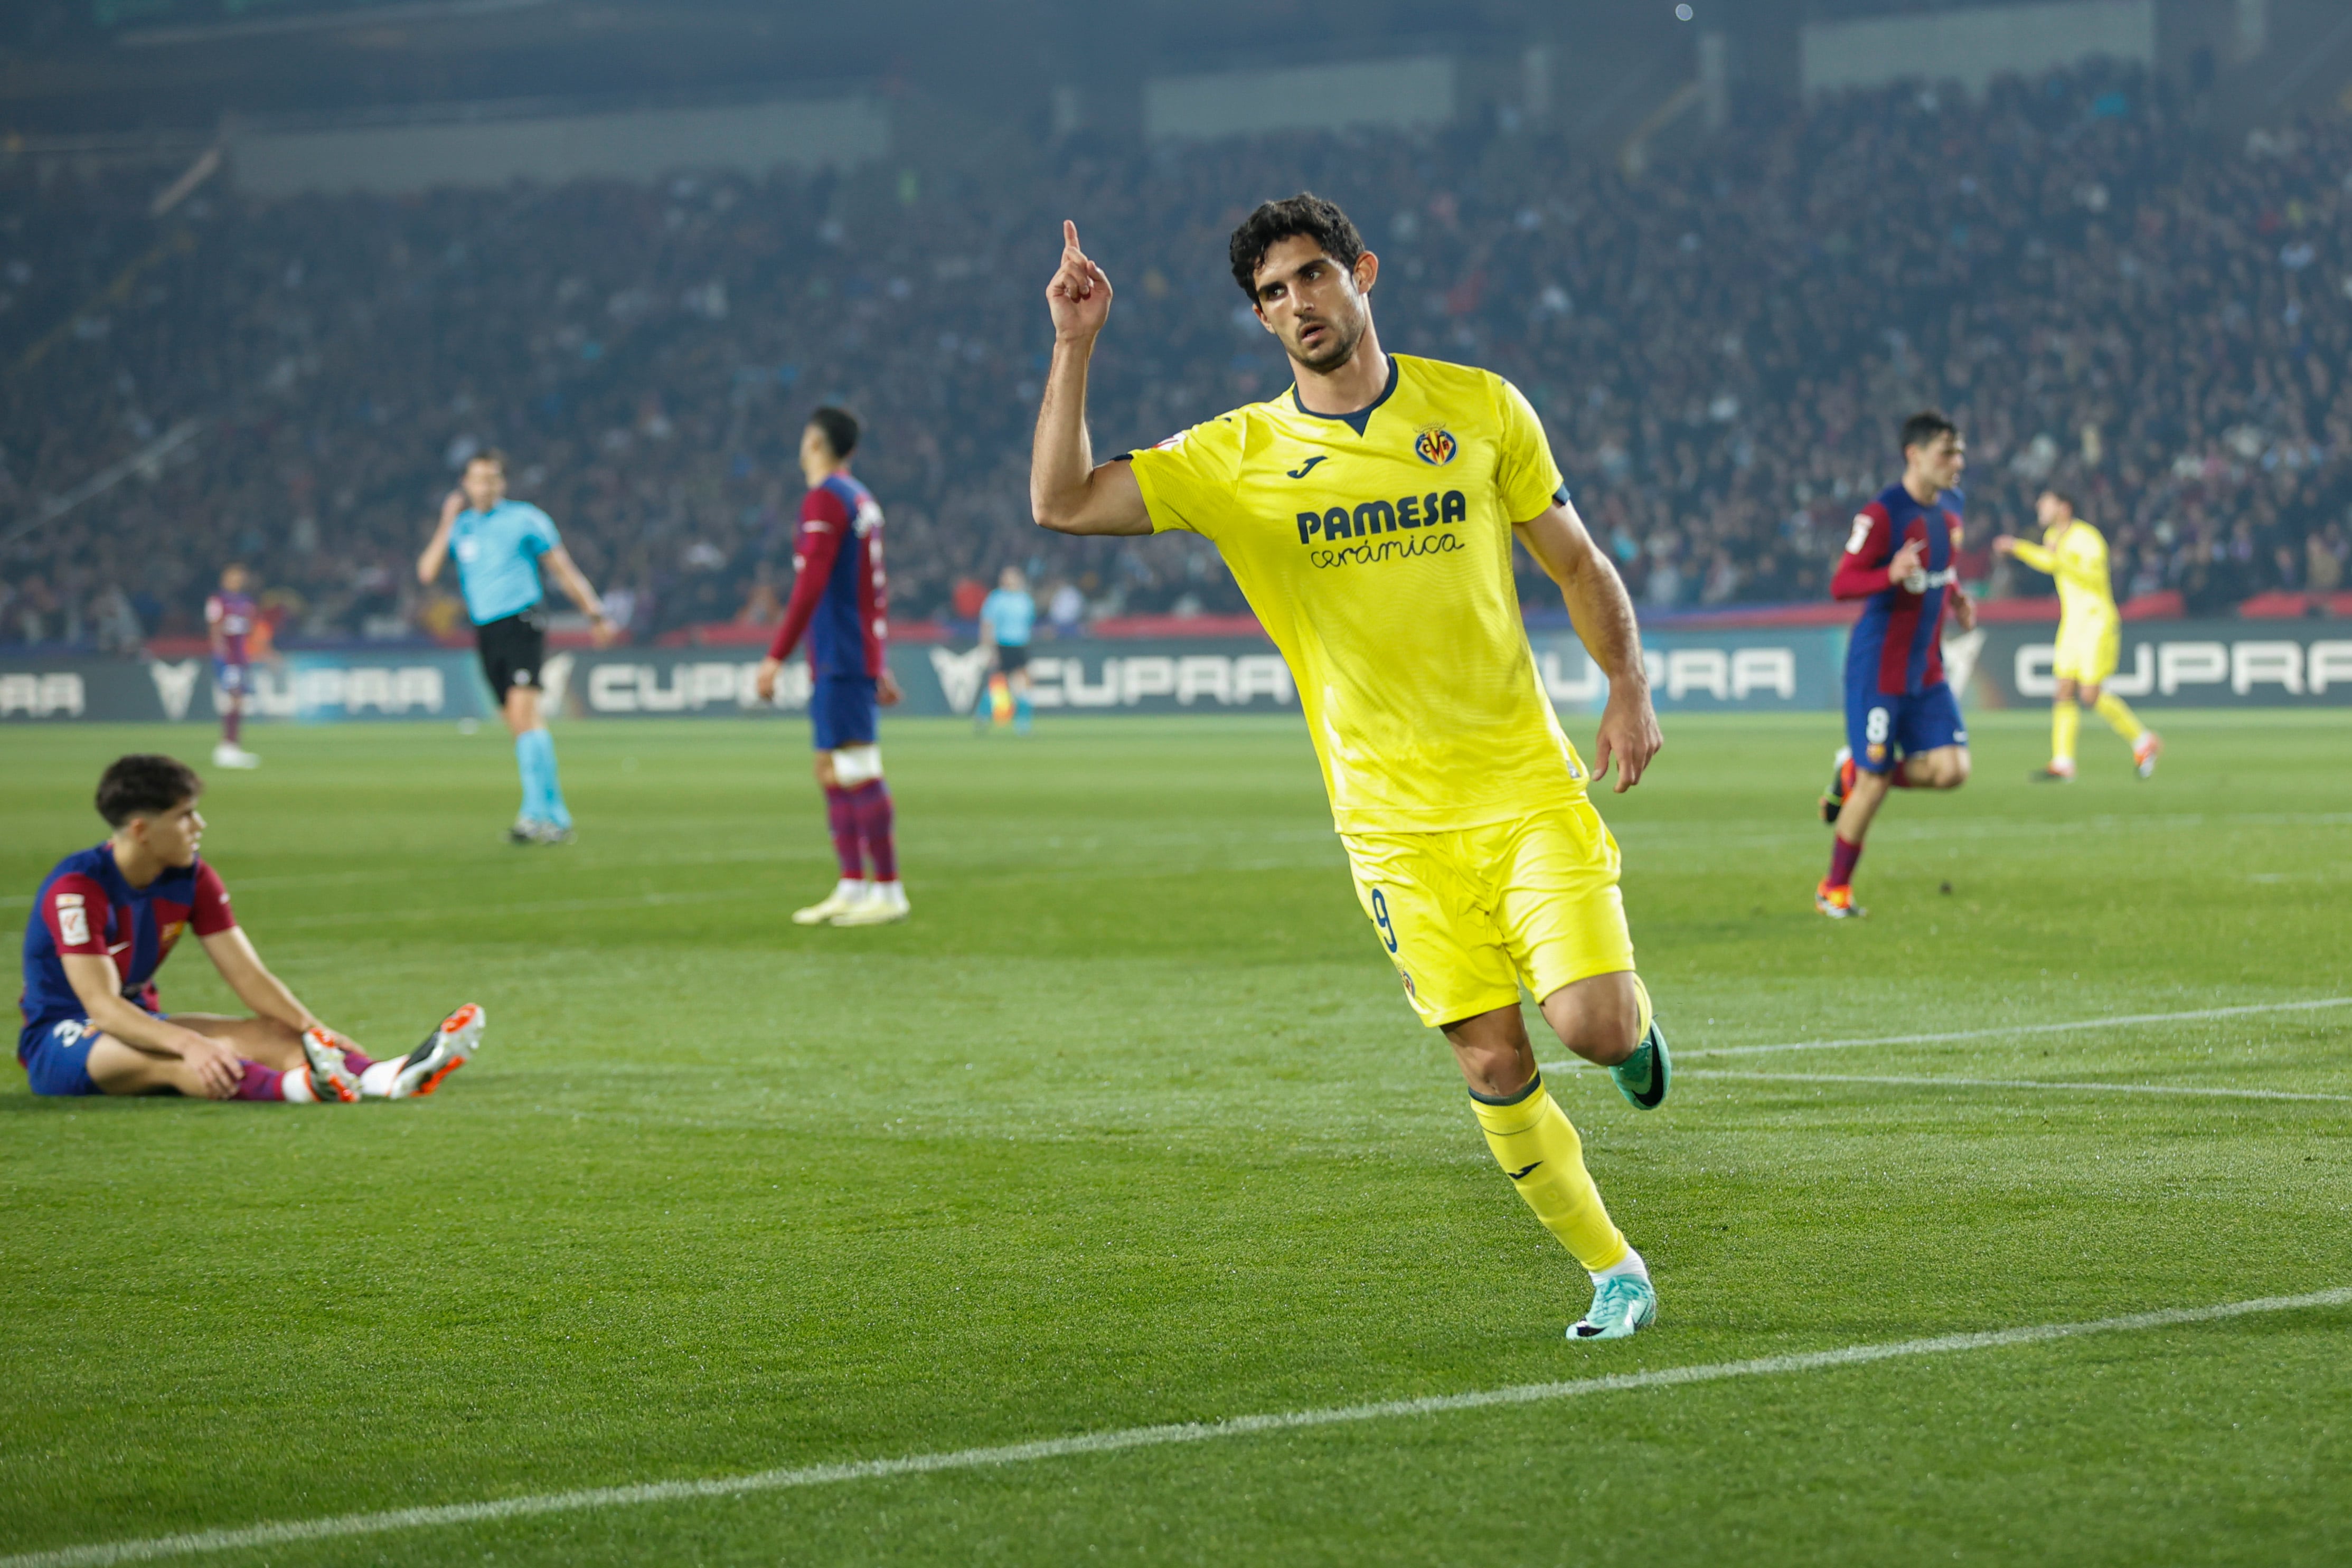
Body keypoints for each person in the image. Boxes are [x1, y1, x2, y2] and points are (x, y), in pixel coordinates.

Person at [1031, 198, 1670, 1343]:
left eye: (1313, 276)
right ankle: (1612, 1269)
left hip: (1521, 783)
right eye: (1272, 294)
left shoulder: (1477, 407)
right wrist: (1076, 346)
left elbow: (1575, 561)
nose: (1297, 305)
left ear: (1361, 273)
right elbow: (1063, 500)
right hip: (1388, 824)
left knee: (1594, 1029)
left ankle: (1634, 1037)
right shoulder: (1236, 457)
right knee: (1489, 1057)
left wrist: (1626, 681)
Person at [18, 753, 482, 1101]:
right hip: (63, 1038)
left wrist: (313, 1029)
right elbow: (102, 1008)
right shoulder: (77, 889)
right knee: (174, 1057)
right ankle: (298, 1088)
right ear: (141, 830)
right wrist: (189, 1042)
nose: (199, 825)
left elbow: (248, 976)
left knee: (273, 1035)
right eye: (184, 815)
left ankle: (385, 1077)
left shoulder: (191, 876)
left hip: (139, 1020)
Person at [1815, 411, 1981, 918]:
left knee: (1953, 770)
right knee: (1877, 782)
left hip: (1926, 671)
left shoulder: (1948, 516)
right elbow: (1842, 584)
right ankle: (1834, 891)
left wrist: (1955, 598)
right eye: (1946, 453)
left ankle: (1855, 768)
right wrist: (1888, 572)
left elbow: (1940, 572)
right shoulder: (1882, 514)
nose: (1958, 462)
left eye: (1959, 452)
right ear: (1915, 455)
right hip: (1880, 671)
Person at [755, 408, 909, 928]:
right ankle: (851, 884)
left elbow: (810, 586)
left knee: (859, 764)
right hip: (845, 651)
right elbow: (872, 590)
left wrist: (775, 656)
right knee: (829, 767)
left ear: (816, 443)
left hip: (841, 652)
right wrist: (878, 656)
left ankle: (888, 891)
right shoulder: (859, 498)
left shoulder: (826, 499)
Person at [417, 450, 615, 844]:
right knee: (517, 725)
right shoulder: (462, 527)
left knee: (526, 716)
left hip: (521, 622)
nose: (484, 487)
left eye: (492, 479)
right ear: (466, 484)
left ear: (502, 484)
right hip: (486, 630)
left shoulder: (526, 520)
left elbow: (562, 568)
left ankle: (544, 817)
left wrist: (595, 613)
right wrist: (445, 523)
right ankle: (545, 814)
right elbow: (427, 572)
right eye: (477, 479)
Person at [1994, 491, 2160, 780]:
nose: (2039, 507)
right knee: (2063, 690)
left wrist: (2061, 557)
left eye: (2046, 503)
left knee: (2090, 695)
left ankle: (2144, 740)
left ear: (2064, 507)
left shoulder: (2087, 538)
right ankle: (2063, 762)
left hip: (2097, 621)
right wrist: (2017, 548)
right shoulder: (2052, 536)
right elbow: (2050, 562)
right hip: (2072, 624)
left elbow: (2095, 576)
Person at [203, 564, 261, 770]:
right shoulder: (218, 600)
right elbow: (215, 627)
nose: (237, 580)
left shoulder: (246, 602)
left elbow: (251, 629)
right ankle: (227, 748)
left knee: (239, 700)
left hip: (241, 657)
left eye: (240, 577)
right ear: (225, 579)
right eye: (233, 577)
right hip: (228, 658)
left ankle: (231, 746)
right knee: (234, 698)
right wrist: (222, 655)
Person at [977, 565, 1038, 734]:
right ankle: (983, 716)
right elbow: (987, 625)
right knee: (998, 685)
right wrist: (989, 649)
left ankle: (1023, 724)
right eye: (1007, 576)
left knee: (1024, 684)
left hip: (1021, 645)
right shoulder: (996, 599)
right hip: (1002, 645)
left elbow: (1029, 624)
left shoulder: (1025, 599)